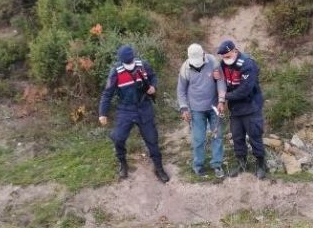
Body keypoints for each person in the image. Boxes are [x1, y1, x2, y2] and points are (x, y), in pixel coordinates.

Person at [98, 44, 170, 183]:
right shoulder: (116, 72)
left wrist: (153, 87)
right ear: (121, 60)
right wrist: (102, 113)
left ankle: (158, 168)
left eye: (131, 59)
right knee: (118, 138)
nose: (131, 62)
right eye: (127, 61)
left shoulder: (143, 65)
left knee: (152, 139)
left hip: (144, 107)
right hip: (126, 109)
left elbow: (153, 77)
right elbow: (107, 93)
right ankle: (123, 163)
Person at [217, 40, 266, 179]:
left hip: (251, 106)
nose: (225, 59)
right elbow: (221, 81)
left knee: (255, 136)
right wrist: (216, 78)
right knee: (237, 137)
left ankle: (261, 164)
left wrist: (225, 96)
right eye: (223, 57)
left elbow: (245, 90)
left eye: (227, 56)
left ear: (235, 51)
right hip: (236, 109)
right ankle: (241, 163)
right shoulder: (223, 65)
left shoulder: (247, 64)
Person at [177, 43, 227, 178]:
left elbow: (221, 81)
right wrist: (184, 108)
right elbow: (181, 90)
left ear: (203, 54)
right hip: (196, 109)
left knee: (217, 136)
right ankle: (198, 165)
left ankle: (217, 164)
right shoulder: (185, 68)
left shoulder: (213, 62)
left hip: (214, 107)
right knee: (199, 139)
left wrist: (221, 100)